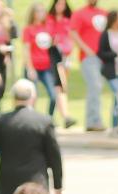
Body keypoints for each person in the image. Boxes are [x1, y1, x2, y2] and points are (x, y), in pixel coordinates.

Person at [0, 80, 64, 194]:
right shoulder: (44, 121)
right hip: (37, 185)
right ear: (33, 97)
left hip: (9, 185)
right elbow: (54, 155)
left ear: (13, 99)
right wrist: (58, 185)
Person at [69, 0, 106, 132]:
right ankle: (93, 121)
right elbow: (73, 33)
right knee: (94, 86)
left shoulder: (104, 13)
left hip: (104, 58)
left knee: (98, 88)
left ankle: (96, 120)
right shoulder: (79, 14)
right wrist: (86, 49)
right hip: (89, 57)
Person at [23, 3, 61, 119]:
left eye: (43, 11)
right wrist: (30, 68)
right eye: (38, 11)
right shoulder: (28, 29)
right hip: (33, 67)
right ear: (33, 14)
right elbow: (26, 50)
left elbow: (53, 44)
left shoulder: (48, 28)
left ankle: (48, 120)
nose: (41, 14)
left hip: (47, 67)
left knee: (53, 96)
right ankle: (31, 120)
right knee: (32, 97)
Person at [46, 0, 78, 128]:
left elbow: (71, 36)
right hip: (54, 55)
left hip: (66, 56)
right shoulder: (50, 19)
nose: (60, 6)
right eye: (58, 4)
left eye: (63, 4)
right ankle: (65, 116)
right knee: (60, 87)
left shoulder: (68, 19)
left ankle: (52, 117)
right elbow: (48, 36)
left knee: (61, 87)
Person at [0, 0, 18, 116]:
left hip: (2, 60)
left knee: (1, 90)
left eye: (0, 8)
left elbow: (13, 36)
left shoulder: (4, 23)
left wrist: (11, 19)